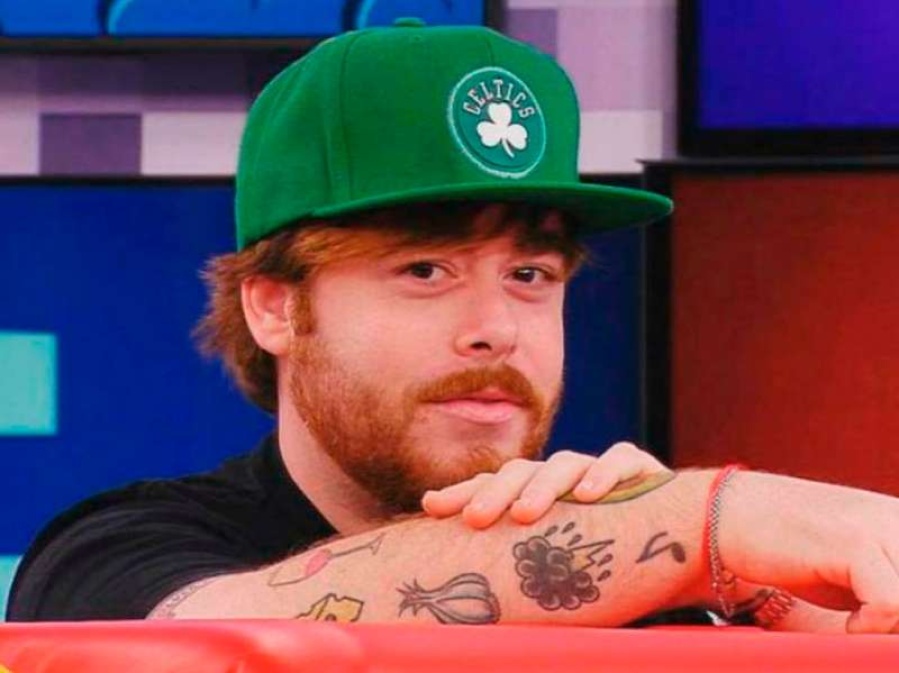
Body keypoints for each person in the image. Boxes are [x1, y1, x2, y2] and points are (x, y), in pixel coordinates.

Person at [7, 21, 899, 634]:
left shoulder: (671, 595)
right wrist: (693, 523)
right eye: (424, 271)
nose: (495, 328)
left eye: (529, 275)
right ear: (275, 306)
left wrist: (767, 602)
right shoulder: (114, 553)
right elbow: (212, 638)